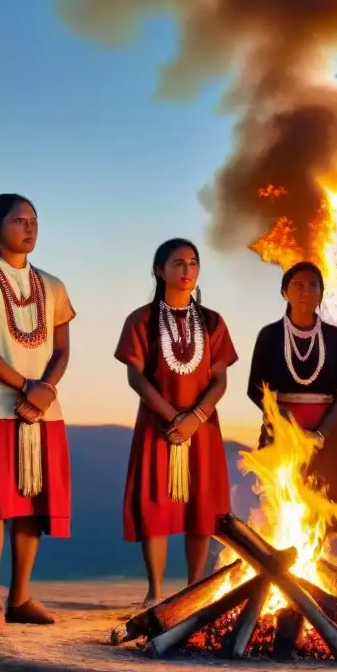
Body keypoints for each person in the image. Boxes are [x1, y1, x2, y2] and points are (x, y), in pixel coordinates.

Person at [0, 193, 76, 636]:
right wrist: (27, 388)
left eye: (34, 220)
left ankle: (21, 596)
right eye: (19, 220)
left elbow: (62, 351)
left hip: (45, 410)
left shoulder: (55, 285)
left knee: (31, 505)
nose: (30, 227)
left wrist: (45, 391)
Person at [114, 238, 239, 606]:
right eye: (178, 263)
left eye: (193, 263)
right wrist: (173, 419)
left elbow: (220, 379)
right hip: (159, 426)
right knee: (155, 504)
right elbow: (136, 377)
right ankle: (154, 593)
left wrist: (195, 419)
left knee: (200, 506)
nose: (187, 270)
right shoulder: (141, 320)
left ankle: (194, 589)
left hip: (202, 428)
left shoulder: (213, 321)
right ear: (160, 270)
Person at [247, 261, 337, 539]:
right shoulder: (270, 336)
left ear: (321, 294)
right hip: (282, 433)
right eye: (297, 285)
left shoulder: (334, 338)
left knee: (322, 505)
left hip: (328, 433)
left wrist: (321, 433)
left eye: (313, 285)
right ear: (284, 291)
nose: (305, 291)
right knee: (284, 502)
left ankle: (314, 567)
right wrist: (288, 429)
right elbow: (257, 390)